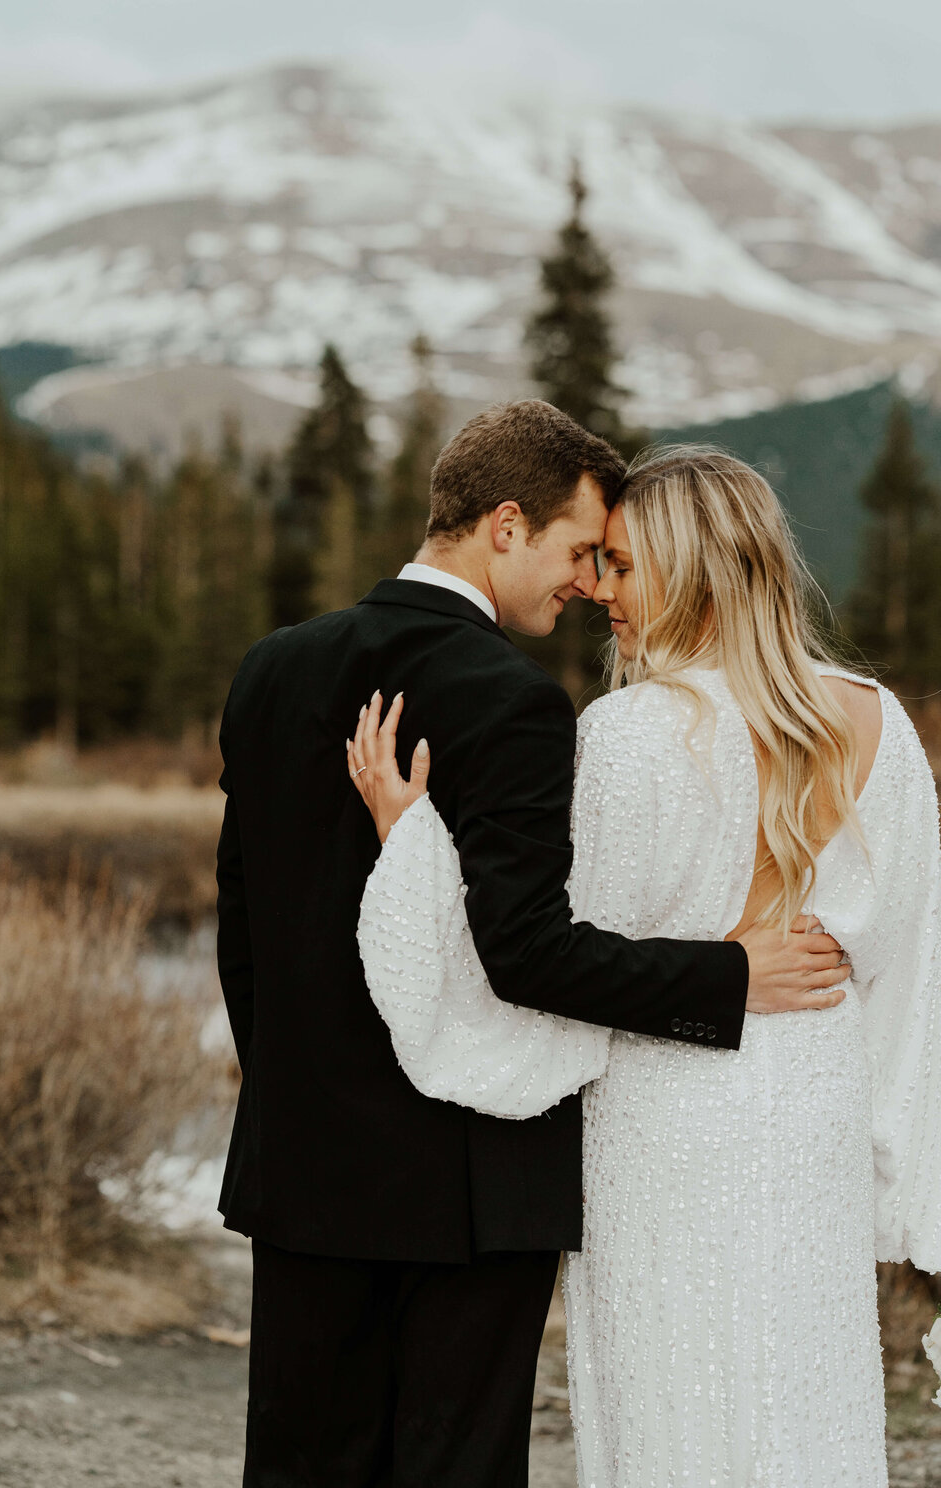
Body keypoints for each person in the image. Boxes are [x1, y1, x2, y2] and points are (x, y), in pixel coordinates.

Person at [350, 445, 941, 1488]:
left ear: (698, 568)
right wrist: (934, 1182)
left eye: (623, 565)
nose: (600, 593)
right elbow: (916, 977)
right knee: (806, 1399)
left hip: (664, 1125)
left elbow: (559, 967)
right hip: (815, 1116)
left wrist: (415, 848)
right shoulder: (879, 724)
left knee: (672, 1411)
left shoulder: (629, 736)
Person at [214, 403, 853, 1488]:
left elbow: (244, 934)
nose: (590, 585)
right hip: (469, 1182)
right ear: (504, 526)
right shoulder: (511, 702)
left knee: (300, 1466)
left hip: (306, 1164)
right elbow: (528, 954)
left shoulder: (274, 669)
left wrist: (292, 1094)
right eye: (578, 552)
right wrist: (732, 976)